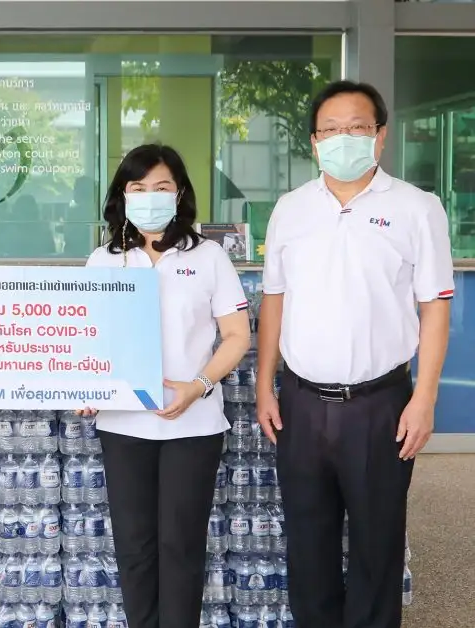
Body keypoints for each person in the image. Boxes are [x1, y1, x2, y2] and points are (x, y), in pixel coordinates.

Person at [256, 80, 454, 628]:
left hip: (379, 405)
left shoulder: (417, 208)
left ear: (380, 136)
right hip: (300, 404)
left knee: (376, 545)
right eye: (331, 129)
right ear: (314, 141)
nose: (343, 138)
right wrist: (265, 386)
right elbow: (274, 299)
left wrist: (425, 399)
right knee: (308, 544)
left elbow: (435, 308)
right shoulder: (291, 210)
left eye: (357, 127)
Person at [81, 143, 251, 628]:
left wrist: (199, 385)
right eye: (138, 188)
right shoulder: (104, 260)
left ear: (179, 195)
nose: (149, 197)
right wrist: (85, 386)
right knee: (134, 548)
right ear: (122, 196)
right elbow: (89, 338)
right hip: (124, 425)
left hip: (193, 426)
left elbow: (237, 335)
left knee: (181, 547)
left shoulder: (208, 256)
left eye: (161, 187)